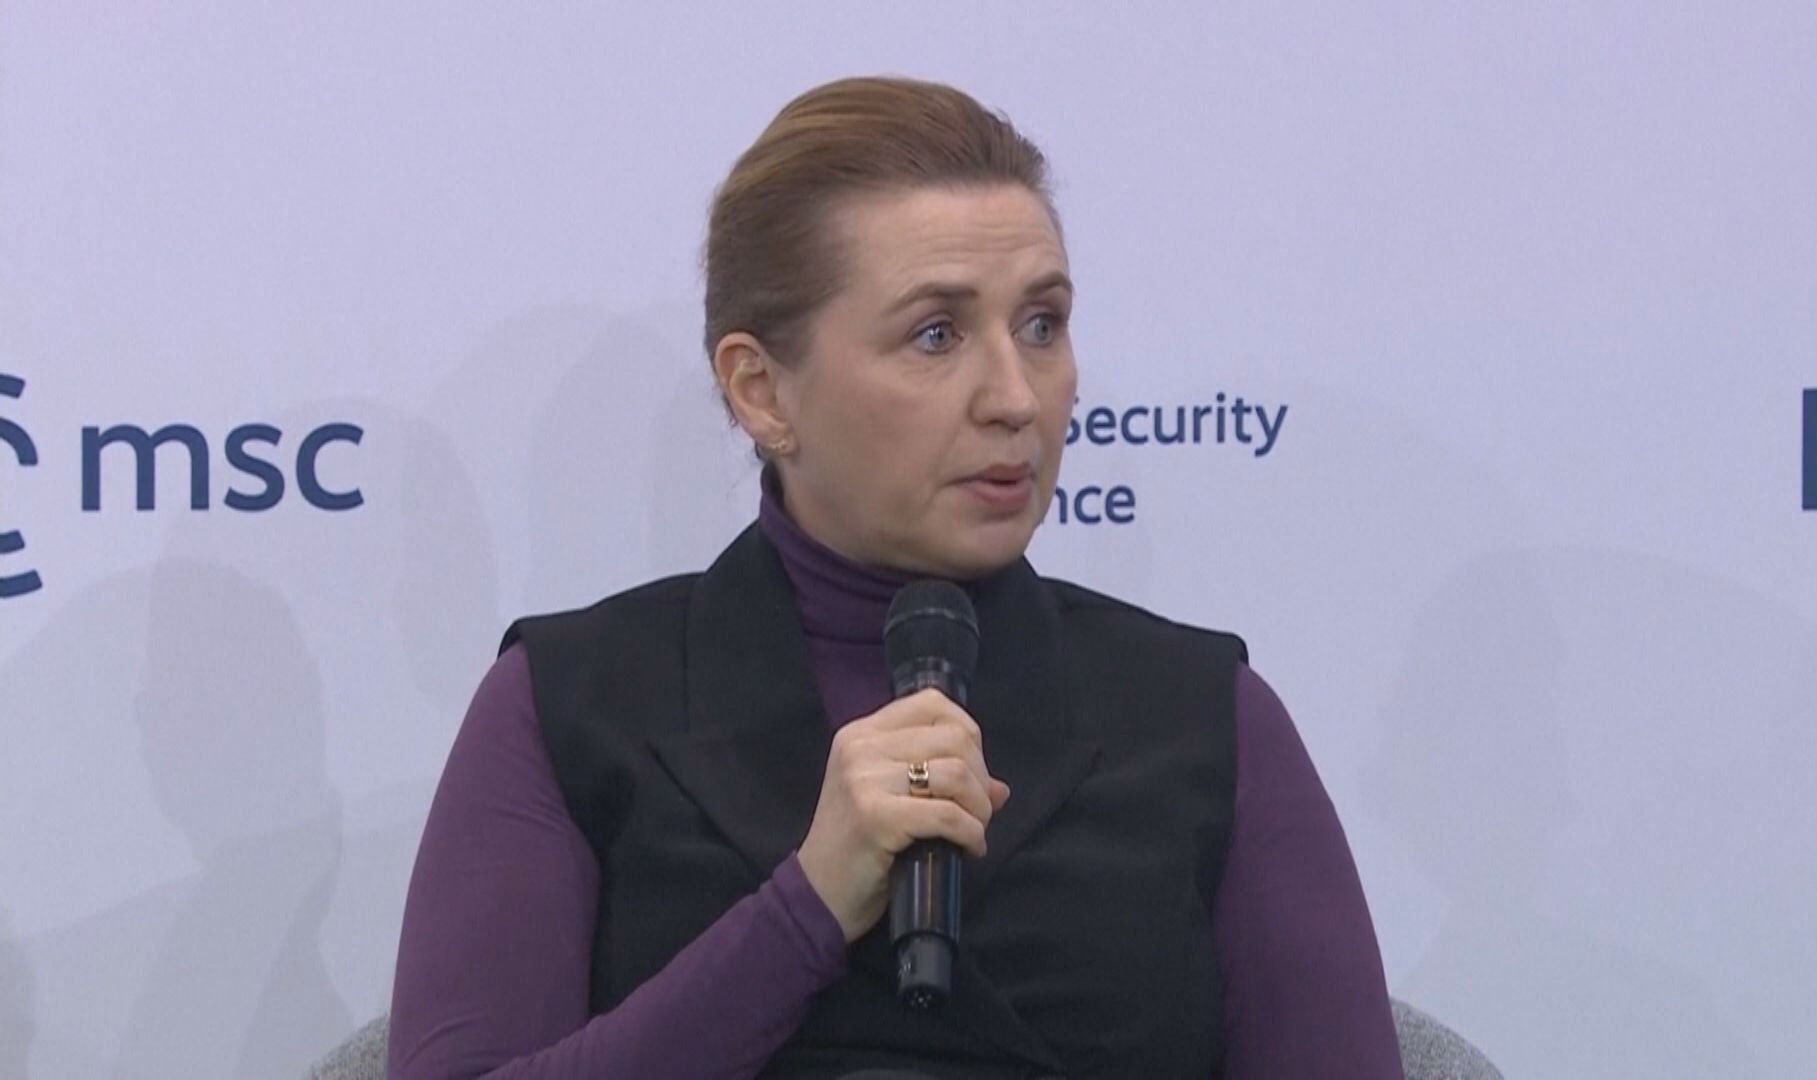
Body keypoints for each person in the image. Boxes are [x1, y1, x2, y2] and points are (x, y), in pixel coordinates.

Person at [388, 75, 1403, 1079]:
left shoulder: (1201, 717)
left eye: (1042, 325)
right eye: (936, 334)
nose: (1015, 397)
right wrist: (806, 909)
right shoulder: (570, 704)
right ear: (761, 390)